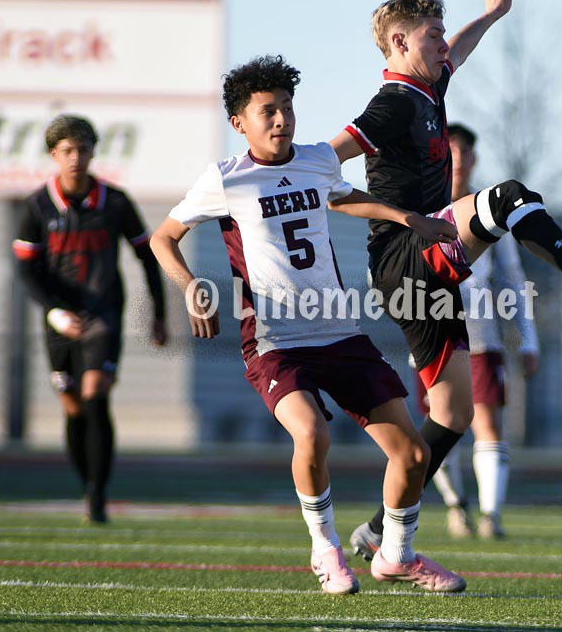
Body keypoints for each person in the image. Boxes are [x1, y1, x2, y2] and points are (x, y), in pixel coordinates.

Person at [327, 0, 562, 559]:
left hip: (421, 279)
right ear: (400, 42)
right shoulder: (393, 104)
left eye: (442, 35)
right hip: (404, 257)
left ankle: (380, 530)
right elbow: (327, 173)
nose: (443, 46)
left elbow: (458, 50)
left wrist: (492, 14)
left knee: (453, 415)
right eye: (432, 35)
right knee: (509, 198)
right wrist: (406, 217)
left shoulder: (428, 86)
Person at [150, 55, 466, 594]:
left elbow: (344, 198)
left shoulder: (318, 160)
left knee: (413, 454)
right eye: (267, 111)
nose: (281, 120)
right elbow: (163, 237)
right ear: (239, 123)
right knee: (312, 433)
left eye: (287, 108)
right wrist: (190, 287)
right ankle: (326, 549)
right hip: (275, 342)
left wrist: (409, 218)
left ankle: (396, 555)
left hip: (339, 333)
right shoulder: (225, 178)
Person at [12, 114, 167, 523]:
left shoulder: (115, 202)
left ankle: (98, 496)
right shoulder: (37, 206)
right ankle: (87, 483)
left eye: (82, 149)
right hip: (61, 318)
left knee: (95, 394)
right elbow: (26, 270)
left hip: (104, 312)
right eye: (67, 150)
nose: (75, 158)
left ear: (94, 151)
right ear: (53, 154)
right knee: (73, 406)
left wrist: (158, 314)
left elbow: (147, 256)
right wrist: (54, 312)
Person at [417, 123, 540, 540]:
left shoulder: (489, 211)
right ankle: (457, 507)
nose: (459, 159)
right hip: (432, 334)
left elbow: (512, 278)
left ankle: (491, 516)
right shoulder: (420, 208)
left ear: (474, 159)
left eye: (465, 151)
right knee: (439, 423)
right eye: (450, 150)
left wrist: (528, 339)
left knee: (487, 421)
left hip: (480, 336)